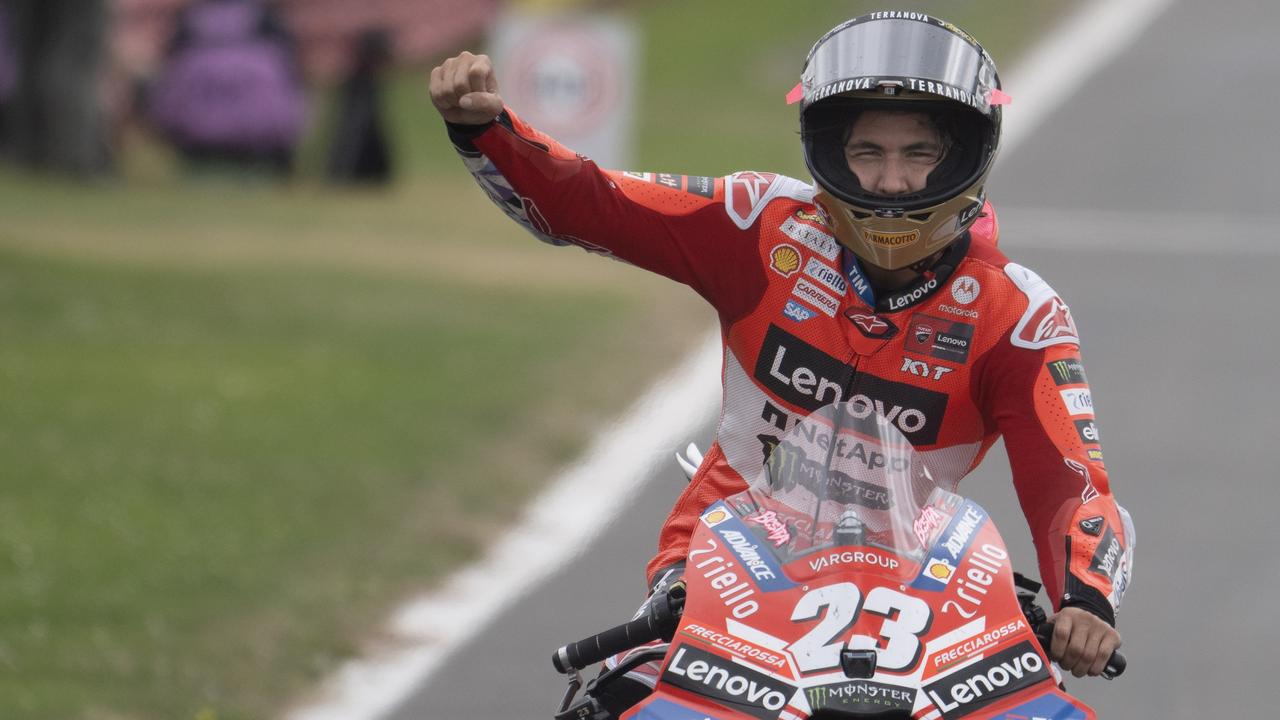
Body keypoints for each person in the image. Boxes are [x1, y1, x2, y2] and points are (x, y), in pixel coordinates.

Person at [430, 10, 1134, 713]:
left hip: (926, 602)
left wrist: (1085, 601)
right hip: (717, 583)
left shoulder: (1021, 314)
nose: (892, 182)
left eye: (919, 153)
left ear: (964, 155)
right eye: (868, 153)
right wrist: (486, 129)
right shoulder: (757, 222)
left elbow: (1072, 483)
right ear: (827, 151)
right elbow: (594, 202)